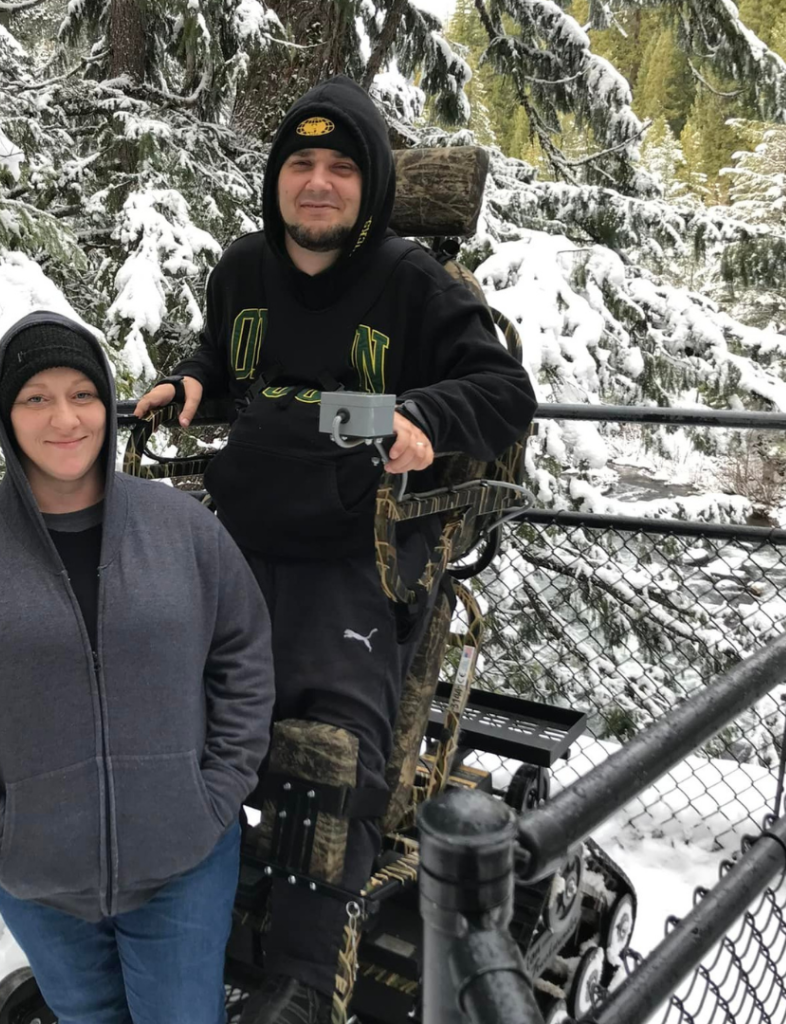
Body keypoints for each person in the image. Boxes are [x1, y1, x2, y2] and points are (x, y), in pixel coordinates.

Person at [135, 76, 538, 1023]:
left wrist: (423, 417)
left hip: (363, 550)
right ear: (278, 180)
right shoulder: (241, 270)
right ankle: (159, 912)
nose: (317, 184)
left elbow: (503, 391)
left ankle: (306, 980)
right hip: (242, 534)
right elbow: (233, 370)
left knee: (331, 751)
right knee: (166, 710)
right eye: (301, 165)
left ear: (372, 188)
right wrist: (195, 384)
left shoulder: (418, 286)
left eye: (341, 169)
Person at [0, 311, 275, 1024]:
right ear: (6, 414)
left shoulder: (183, 529)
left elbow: (242, 655)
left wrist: (211, 798)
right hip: (36, 875)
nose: (65, 418)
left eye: (83, 395)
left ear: (108, 407)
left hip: (183, 861)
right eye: (36, 398)